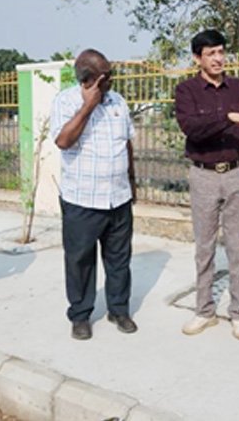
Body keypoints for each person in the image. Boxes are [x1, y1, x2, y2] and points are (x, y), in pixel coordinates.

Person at [174, 30, 239, 340]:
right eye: (211, 53)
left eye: (221, 52)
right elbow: (192, 129)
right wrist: (228, 117)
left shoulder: (238, 87)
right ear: (198, 58)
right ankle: (204, 311)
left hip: (236, 173)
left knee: (238, 247)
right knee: (205, 247)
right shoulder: (186, 90)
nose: (219, 59)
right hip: (204, 175)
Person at [50, 48, 138, 341]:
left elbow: (127, 142)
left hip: (118, 198)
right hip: (82, 201)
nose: (112, 80)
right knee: (80, 262)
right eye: (106, 76)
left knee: (119, 260)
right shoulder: (65, 101)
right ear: (90, 79)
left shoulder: (118, 101)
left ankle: (119, 310)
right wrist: (88, 107)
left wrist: (132, 181)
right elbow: (63, 141)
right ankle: (80, 315)